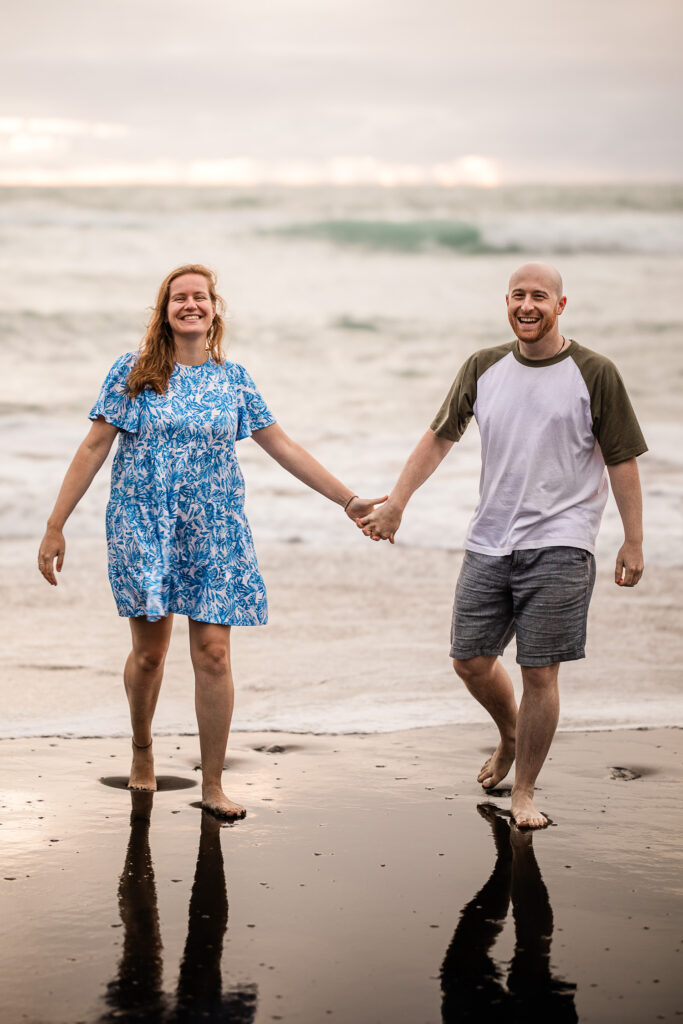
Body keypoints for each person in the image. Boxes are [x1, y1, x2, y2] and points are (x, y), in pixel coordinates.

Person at [38, 264, 384, 820]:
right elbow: (93, 445)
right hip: (144, 524)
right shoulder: (134, 372)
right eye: (179, 298)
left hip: (215, 529)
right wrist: (56, 524)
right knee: (150, 657)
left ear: (215, 308)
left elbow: (284, 446)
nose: (190, 305)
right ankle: (142, 748)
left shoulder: (234, 379)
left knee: (215, 655)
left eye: (200, 296)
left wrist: (348, 501)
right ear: (165, 310)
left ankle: (213, 784)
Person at [358, 262, 647, 829]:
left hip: (563, 543)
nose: (528, 305)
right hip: (489, 540)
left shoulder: (595, 372)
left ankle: (525, 791)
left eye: (540, 296)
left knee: (540, 671)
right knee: (470, 660)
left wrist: (632, 541)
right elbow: (439, 437)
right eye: (519, 295)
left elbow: (622, 461)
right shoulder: (484, 366)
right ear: (507, 302)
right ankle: (511, 734)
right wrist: (397, 502)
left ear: (561, 306)